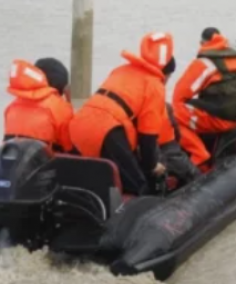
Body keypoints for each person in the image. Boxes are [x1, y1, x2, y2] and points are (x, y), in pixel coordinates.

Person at [68, 32, 176, 196]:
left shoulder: (121, 70)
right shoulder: (155, 85)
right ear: (166, 74)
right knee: (138, 186)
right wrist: (152, 166)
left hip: (79, 123)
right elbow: (147, 137)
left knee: (92, 178)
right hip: (108, 130)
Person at [172, 27, 236, 170]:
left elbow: (178, 96)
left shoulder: (204, 63)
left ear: (202, 43)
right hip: (235, 121)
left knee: (170, 114)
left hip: (216, 121)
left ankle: (199, 153)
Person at [3, 57, 74, 152]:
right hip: (45, 165)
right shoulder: (61, 108)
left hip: (14, 163)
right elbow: (70, 146)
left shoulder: (12, 106)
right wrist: (70, 104)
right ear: (62, 88)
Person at [159, 103, 201, 190]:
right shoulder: (165, 107)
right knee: (193, 174)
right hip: (168, 149)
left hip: (150, 153)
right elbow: (177, 132)